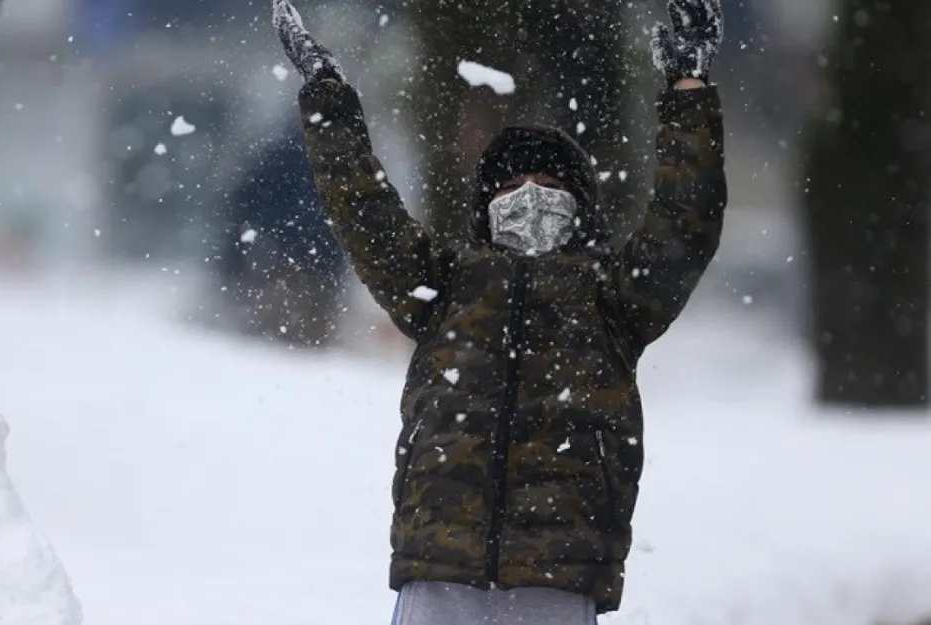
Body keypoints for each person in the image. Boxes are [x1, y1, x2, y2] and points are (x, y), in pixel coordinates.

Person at [272, 0, 726, 622]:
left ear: (581, 206)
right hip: (440, 571)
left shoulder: (614, 300)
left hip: (559, 574)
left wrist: (688, 89)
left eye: (549, 182)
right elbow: (366, 214)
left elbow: (685, 222)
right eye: (510, 185)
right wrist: (329, 103)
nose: (529, 196)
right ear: (485, 206)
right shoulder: (442, 285)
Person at [215, 117, 348, 348]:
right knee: (306, 337)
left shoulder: (274, 153)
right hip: (312, 260)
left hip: (279, 256)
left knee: (272, 335)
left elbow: (246, 201)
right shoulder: (335, 162)